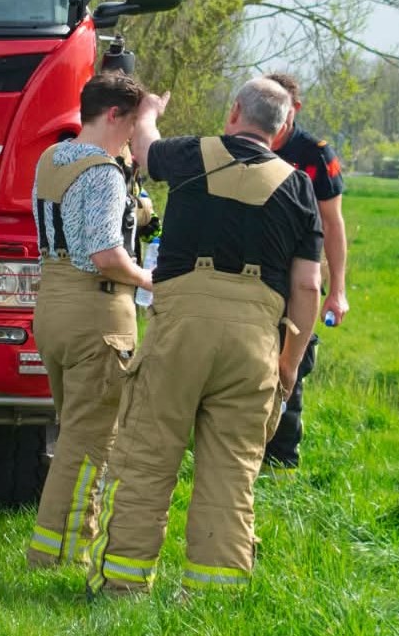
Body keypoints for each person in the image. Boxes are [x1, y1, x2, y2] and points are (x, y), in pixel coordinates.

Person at [86, 77, 322, 596]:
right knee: (232, 471)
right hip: (254, 344)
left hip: (180, 334)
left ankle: (122, 588)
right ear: (282, 129)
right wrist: (288, 364)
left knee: (149, 456)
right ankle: (214, 595)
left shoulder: (191, 154)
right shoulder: (300, 186)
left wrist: (149, 111)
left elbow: (144, 150)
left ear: (234, 110)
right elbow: (308, 284)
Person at [24, 72, 163, 569]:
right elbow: (105, 253)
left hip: (52, 309)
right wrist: (149, 280)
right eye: (132, 127)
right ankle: (61, 555)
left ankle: (51, 548)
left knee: (71, 432)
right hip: (96, 312)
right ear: (114, 115)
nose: (133, 139)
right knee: (89, 443)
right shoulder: (103, 172)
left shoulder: (52, 158)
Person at [260, 71, 349, 470]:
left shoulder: (315, 154)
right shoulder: (244, 141)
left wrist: (338, 289)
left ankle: (280, 462)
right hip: (252, 270)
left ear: (293, 110)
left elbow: (333, 223)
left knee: (290, 361)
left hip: (299, 273)